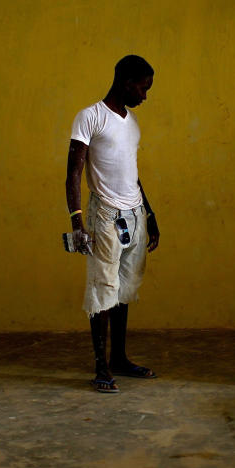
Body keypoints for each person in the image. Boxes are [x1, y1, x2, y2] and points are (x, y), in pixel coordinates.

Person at [66, 54, 161, 394]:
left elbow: (132, 174)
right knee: (102, 290)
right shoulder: (90, 118)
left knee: (123, 289)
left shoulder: (131, 123)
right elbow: (73, 173)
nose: (144, 95)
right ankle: (101, 367)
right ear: (126, 82)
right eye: (143, 87)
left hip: (134, 215)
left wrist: (149, 215)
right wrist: (77, 221)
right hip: (104, 215)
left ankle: (119, 357)